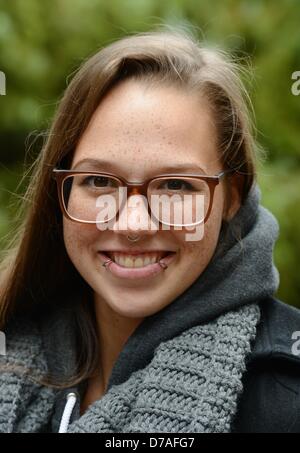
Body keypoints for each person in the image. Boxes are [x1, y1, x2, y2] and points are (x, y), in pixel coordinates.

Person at [0, 28, 299, 434]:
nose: (133, 225)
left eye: (176, 185)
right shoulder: (12, 352)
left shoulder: (286, 397)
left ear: (232, 196)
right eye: (100, 181)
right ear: (60, 192)